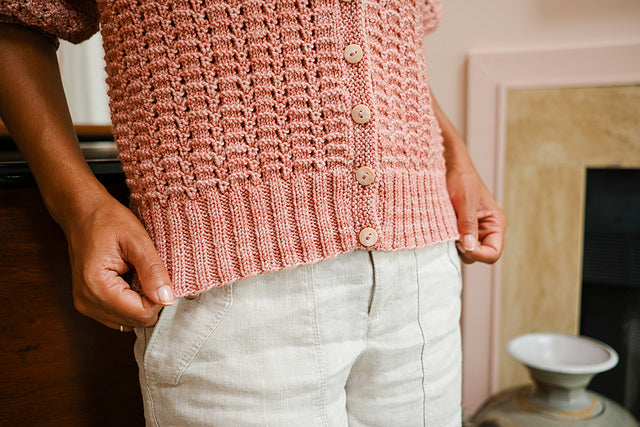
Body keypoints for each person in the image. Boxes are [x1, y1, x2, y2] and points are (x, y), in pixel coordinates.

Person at [0, 1, 505, 425]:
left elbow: (390, 43)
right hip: (231, 281)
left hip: (420, 268)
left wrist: (455, 156)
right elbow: (14, 19)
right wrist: (79, 208)